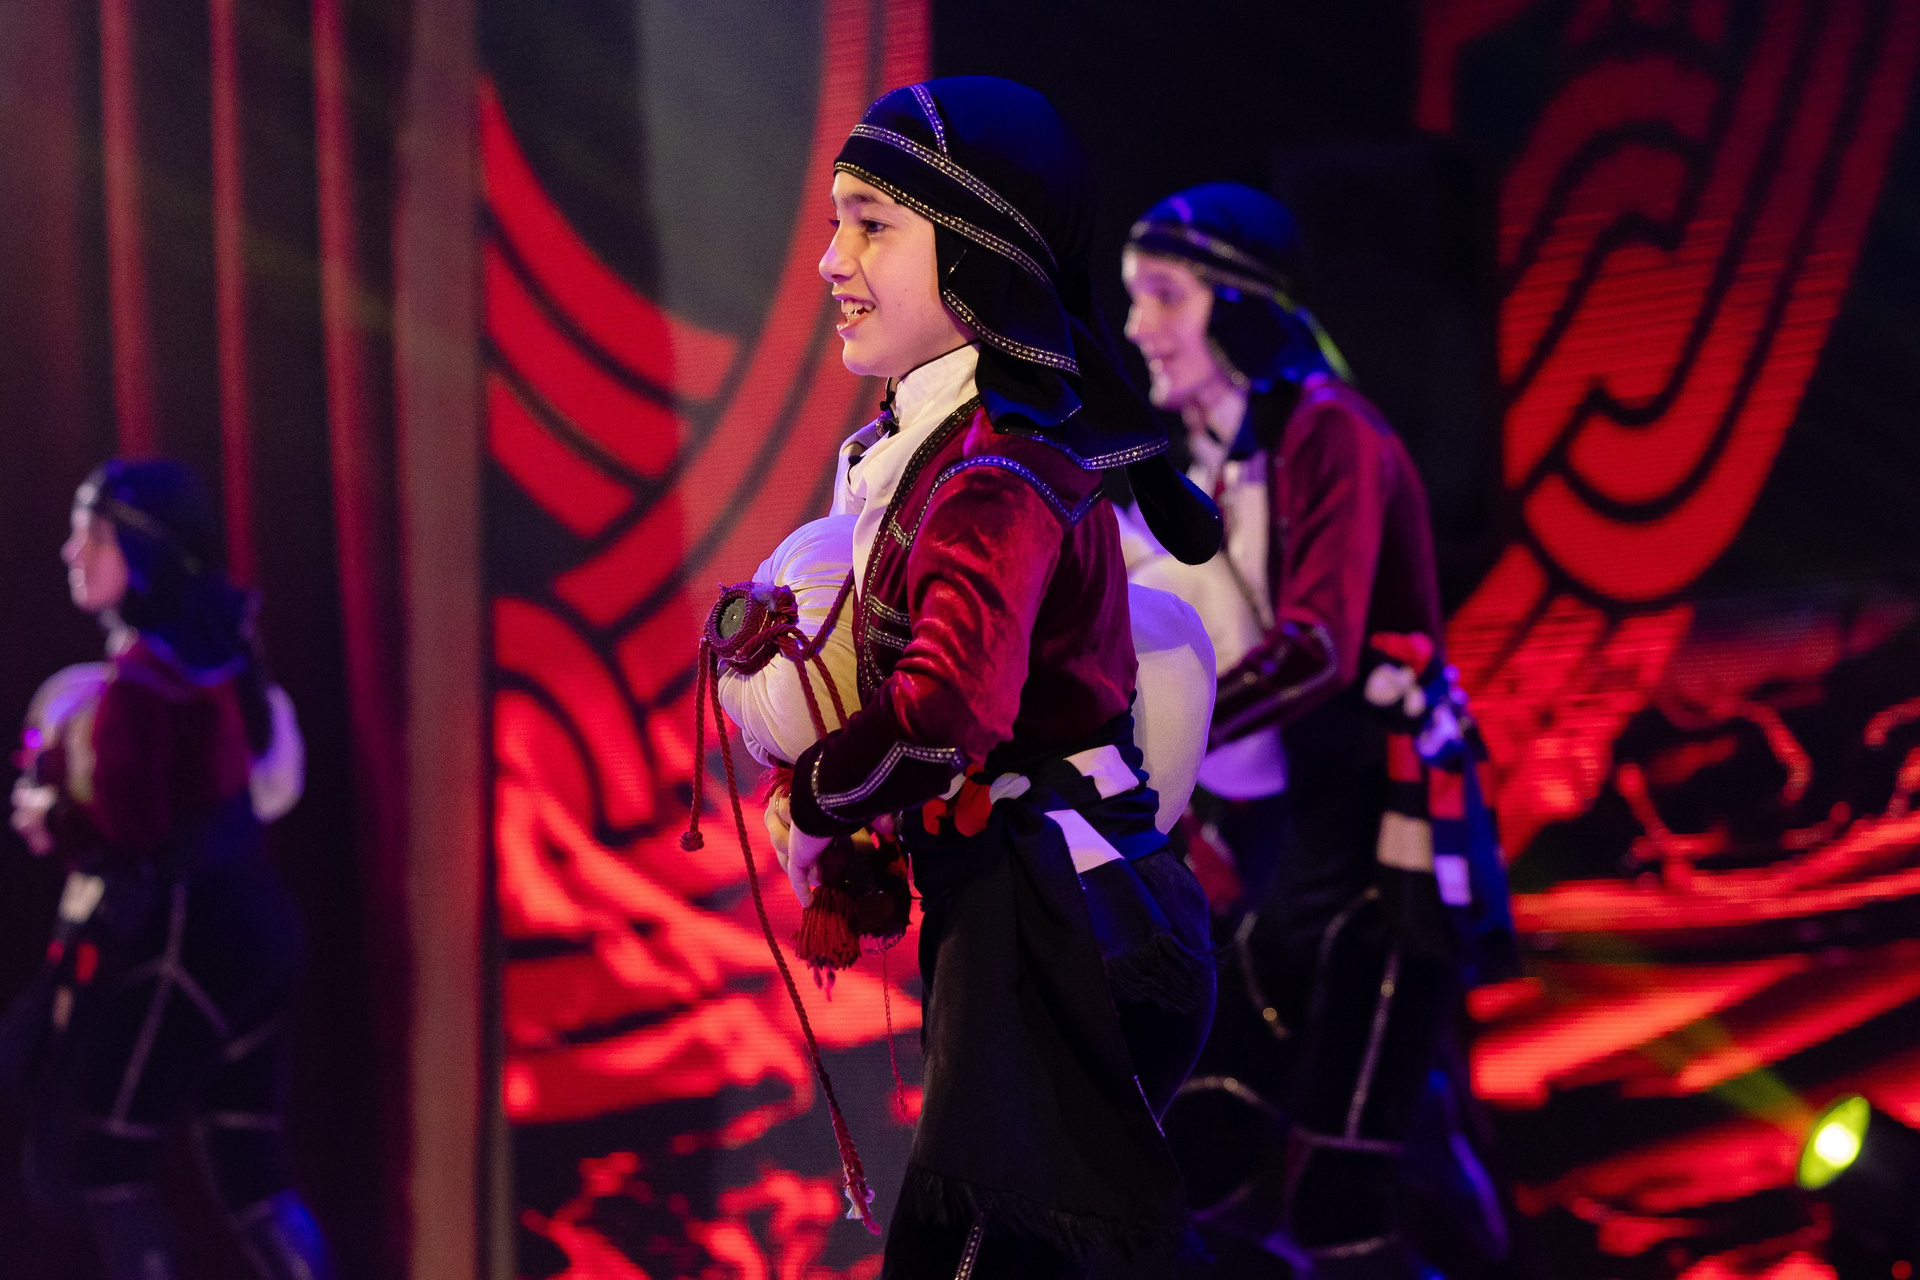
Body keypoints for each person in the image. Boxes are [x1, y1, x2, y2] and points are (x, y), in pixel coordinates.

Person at [760, 77, 1223, 1278]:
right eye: (836, 222)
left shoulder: (996, 473)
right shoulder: (943, 452)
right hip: (1035, 915)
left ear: (976, 252)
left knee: (968, 1252)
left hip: (1068, 922)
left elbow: (947, 713)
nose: (832, 260)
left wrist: (815, 799)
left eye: (871, 224)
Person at [1121, 183, 1489, 1279]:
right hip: (1292, 852)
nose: (1137, 325)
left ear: (1241, 308)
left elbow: (1319, 646)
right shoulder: (1211, 462)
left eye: (1165, 296)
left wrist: (1152, 754)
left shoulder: (1333, 431)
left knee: (1342, 1200)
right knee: (1198, 1151)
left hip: (1383, 847)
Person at [3, 458, 334, 1280]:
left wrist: (57, 816)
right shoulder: (223, 658)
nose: (71, 552)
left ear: (142, 551)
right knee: (254, 1176)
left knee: (105, 1162)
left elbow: (138, 830)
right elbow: (271, 782)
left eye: (92, 534)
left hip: (196, 936)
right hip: (260, 927)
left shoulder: (145, 684)